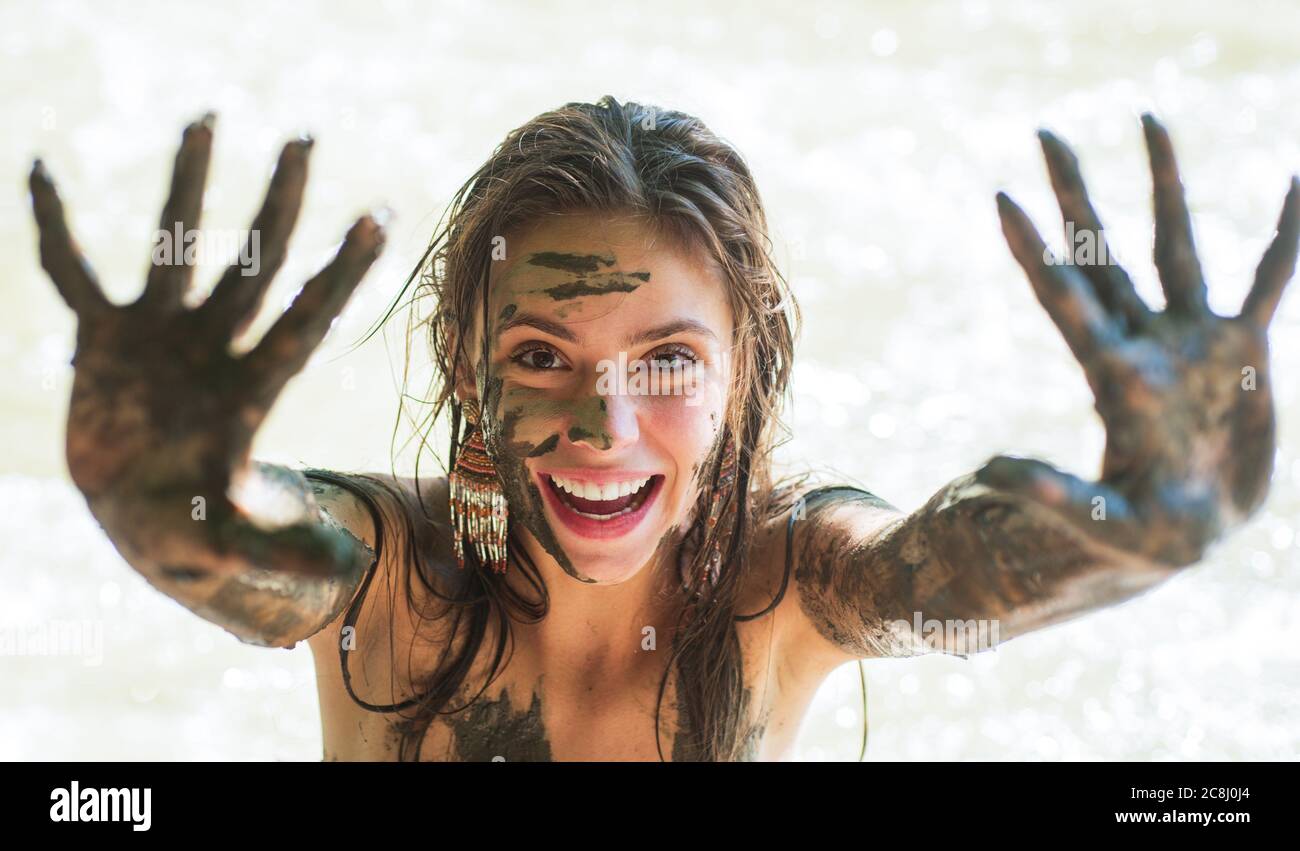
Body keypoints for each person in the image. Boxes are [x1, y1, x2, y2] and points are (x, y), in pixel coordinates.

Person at [28, 96, 1298, 761]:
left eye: (669, 362)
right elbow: (229, 545)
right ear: (466, 374)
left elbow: (959, 564)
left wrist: (1148, 517)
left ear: (745, 375)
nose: (605, 423)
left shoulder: (797, 585)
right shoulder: (383, 577)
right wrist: (149, 486)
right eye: (540, 355)